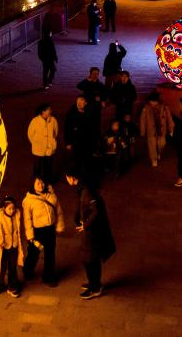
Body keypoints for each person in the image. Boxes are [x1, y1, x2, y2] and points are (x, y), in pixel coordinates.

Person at [66, 169, 115, 299]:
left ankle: (95, 287)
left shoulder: (85, 191)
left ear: (70, 177)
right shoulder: (83, 187)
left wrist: (86, 224)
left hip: (91, 232)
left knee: (90, 258)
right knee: (88, 257)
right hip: (90, 231)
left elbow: (95, 210)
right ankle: (93, 283)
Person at [22, 176, 65, 286]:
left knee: (50, 253)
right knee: (34, 253)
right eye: (38, 183)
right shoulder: (28, 201)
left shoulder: (51, 195)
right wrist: (30, 236)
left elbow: (59, 212)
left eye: (42, 183)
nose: (41, 185)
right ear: (32, 184)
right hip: (37, 231)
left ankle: (49, 277)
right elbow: (27, 219)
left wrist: (59, 226)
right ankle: (27, 270)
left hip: (50, 229)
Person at [0, 196, 25, 298]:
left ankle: (12, 286)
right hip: (2, 247)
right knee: (1, 267)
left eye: (13, 208)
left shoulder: (17, 214)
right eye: (9, 208)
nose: (12, 211)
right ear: (4, 208)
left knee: (12, 267)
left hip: (14, 246)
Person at [65, 96, 98, 178]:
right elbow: (67, 129)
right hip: (76, 142)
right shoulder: (71, 114)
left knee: (87, 160)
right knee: (76, 160)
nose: (79, 103)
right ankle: (75, 176)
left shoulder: (90, 113)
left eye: (81, 101)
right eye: (78, 101)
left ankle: (86, 177)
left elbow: (94, 128)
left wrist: (95, 141)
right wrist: (68, 142)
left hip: (87, 141)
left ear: (85, 103)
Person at [139, 91, 173, 167]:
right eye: (151, 101)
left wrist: (171, 128)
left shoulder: (164, 107)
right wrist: (142, 131)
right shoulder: (146, 108)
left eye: (153, 101)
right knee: (152, 145)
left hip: (161, 129)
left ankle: (159, 153)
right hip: (151, 130)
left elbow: (169, 118)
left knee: (162, 144)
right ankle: (153, 159)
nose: (152, 103)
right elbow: (142, 120)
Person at [27, 103, 58, 183]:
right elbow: (30, 134)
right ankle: (36, 184)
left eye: (50, 109)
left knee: (48, 167)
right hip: (38, 149)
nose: (50, 111)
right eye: (49, 110)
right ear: (43, 111)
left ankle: (48, 182)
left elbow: (55, 133)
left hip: (49, 148)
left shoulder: (53, 120)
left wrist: (53, 142)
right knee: (37, 168)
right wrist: (36, 143)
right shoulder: (35, 121)